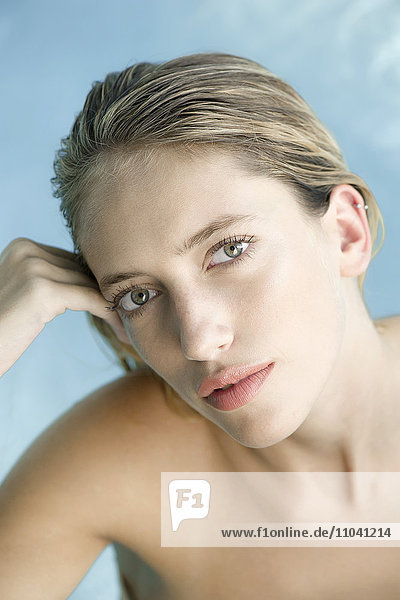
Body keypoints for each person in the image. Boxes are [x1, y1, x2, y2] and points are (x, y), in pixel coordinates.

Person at [0, 51, 399, 599]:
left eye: (229, 250)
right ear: (118, 324)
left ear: (347, 233)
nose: (198, 339)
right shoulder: (116, 465)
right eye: (139, 295)